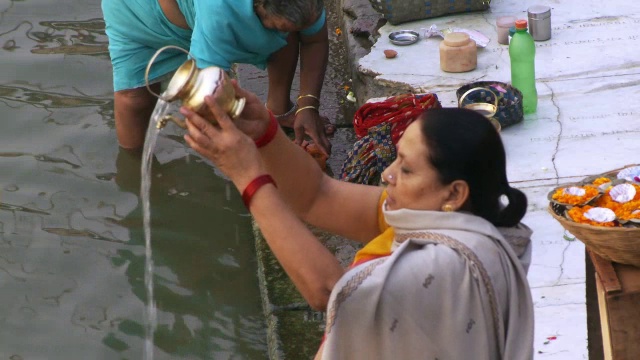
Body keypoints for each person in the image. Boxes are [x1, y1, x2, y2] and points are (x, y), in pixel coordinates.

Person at [180, 82, 535, 359]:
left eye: (407, 169)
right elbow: (318, 196)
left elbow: (328, 291)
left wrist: (248, 177)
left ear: (454, 194)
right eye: (396, 159)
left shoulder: (445, 265)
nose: (387, 174)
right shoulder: (432, 215)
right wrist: (265, 135)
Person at [101, 0, 333, 155]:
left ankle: (278, 109)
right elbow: (209, 99)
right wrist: (265, 141)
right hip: (138, 10)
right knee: (134, 99)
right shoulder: (219, 11)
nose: (283, 34)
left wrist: (308, 106)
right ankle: (134, 174)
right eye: (277, 26)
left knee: (285, 33)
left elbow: (315, 39)